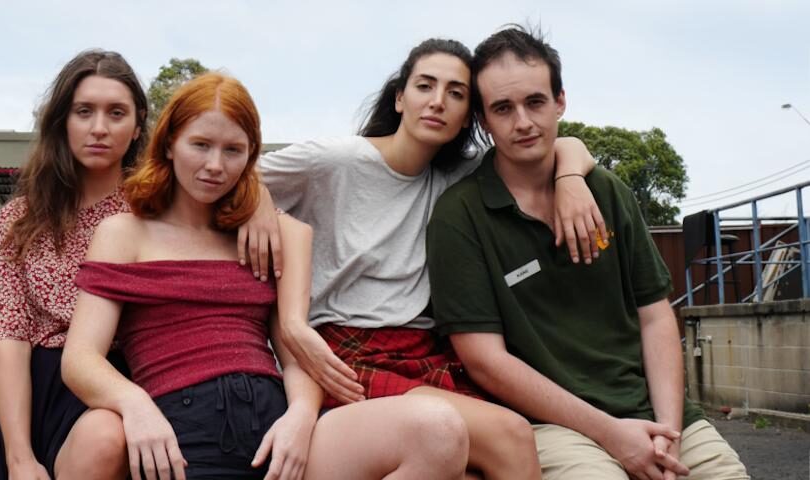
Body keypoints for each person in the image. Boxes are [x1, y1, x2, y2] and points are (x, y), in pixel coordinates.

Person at [62, 72, 473, 480]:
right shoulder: (124, 233)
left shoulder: (260, 237)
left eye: (233, 150)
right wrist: (135, 405)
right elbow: (81, 359)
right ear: (170, 143)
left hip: (277, 433)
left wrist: (300, 416)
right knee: (97, 431)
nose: (215, 166)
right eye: (200, 145)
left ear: (251, 157)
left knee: (439, 429)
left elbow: (294, 354)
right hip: (177, 434)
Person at [256, 38, 604, 479]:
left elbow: (564, 144)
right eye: (425, 86)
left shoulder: (462, 173)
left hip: (425, 350)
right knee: (511, 434)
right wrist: (257, 211)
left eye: (456, 93)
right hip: (347, 351)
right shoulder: (338, 161)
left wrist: (571, 176)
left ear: (467, 118)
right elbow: (238, 178)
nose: (438, 102)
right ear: (400, 97)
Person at [427, 26, 750, 480]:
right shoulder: (459, 216)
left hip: (654, 411)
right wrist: (613, 435)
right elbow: (485, 360)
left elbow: (656, 316)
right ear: (483, 120)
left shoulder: (606, 190)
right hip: (552, 424)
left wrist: (668, 434)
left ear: (560, 101)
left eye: (535, 102)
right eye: (503, 108)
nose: (523, 122)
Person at [0, 49, 148, 480]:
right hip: (19, 393)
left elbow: (237, 171)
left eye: (116, 112)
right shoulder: (21, 217)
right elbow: (10, 337)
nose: (99, 127)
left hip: (113, 387)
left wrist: (262, 210)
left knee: (107, 440)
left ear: (137, 127)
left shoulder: (157, 214)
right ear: (63, 122)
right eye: (84, 111)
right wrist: (19, 456)